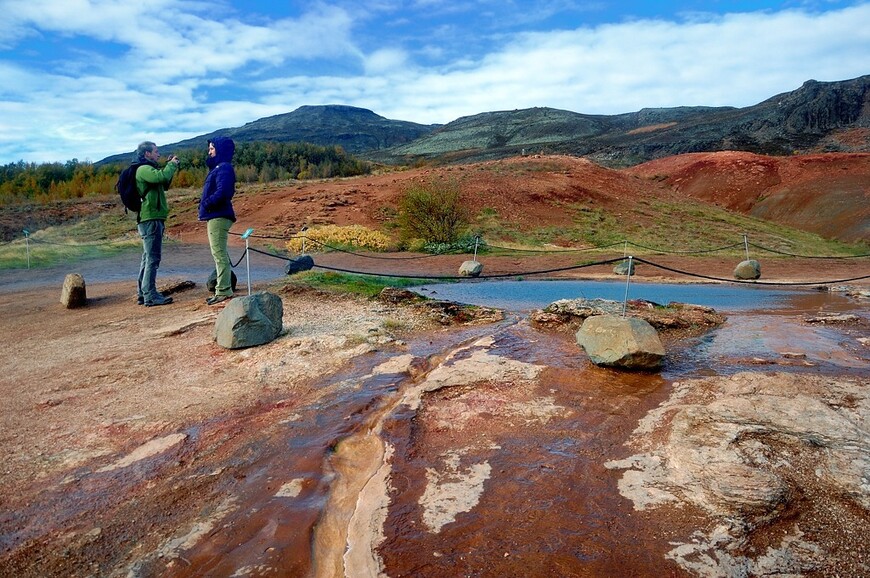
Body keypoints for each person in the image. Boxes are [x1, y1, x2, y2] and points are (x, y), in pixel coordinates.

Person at [135, 141, 179, 307]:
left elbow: (164, 183)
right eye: (155, 151)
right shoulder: (144, 169)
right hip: (150, 218)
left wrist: (170, 166)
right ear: (147, 153)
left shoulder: (148, 169)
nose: (158, 154)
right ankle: (150, 295)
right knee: (153, 258)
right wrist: (172, 165)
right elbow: (161, 177)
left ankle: (143, 292)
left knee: (147, 258)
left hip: (150, 217)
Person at [199, 137, 237, 305]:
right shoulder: (219, 168)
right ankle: (224, 287)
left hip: (218, 215)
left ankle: (223, 290)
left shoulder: (224, 168)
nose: (209, 152)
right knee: (220, 253)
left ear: (220, 150)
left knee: (219, 254)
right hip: (216, 215)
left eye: (212, 149)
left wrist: (207, 203)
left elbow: (224, 191)